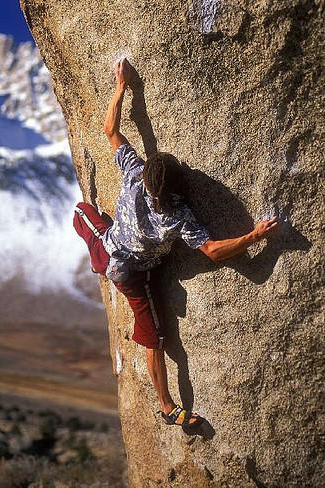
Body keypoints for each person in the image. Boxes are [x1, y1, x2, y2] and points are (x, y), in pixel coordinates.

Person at [73, 58, 279, 431]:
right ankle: (168, 407)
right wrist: (255, 236)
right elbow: (213, 251)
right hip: (133, 273)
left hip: (111, 244)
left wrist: (122, 87)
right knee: (156, 339)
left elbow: (110, 129)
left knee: (82, 213)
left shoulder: (135, 173)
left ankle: (98, 260)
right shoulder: (178, 216)